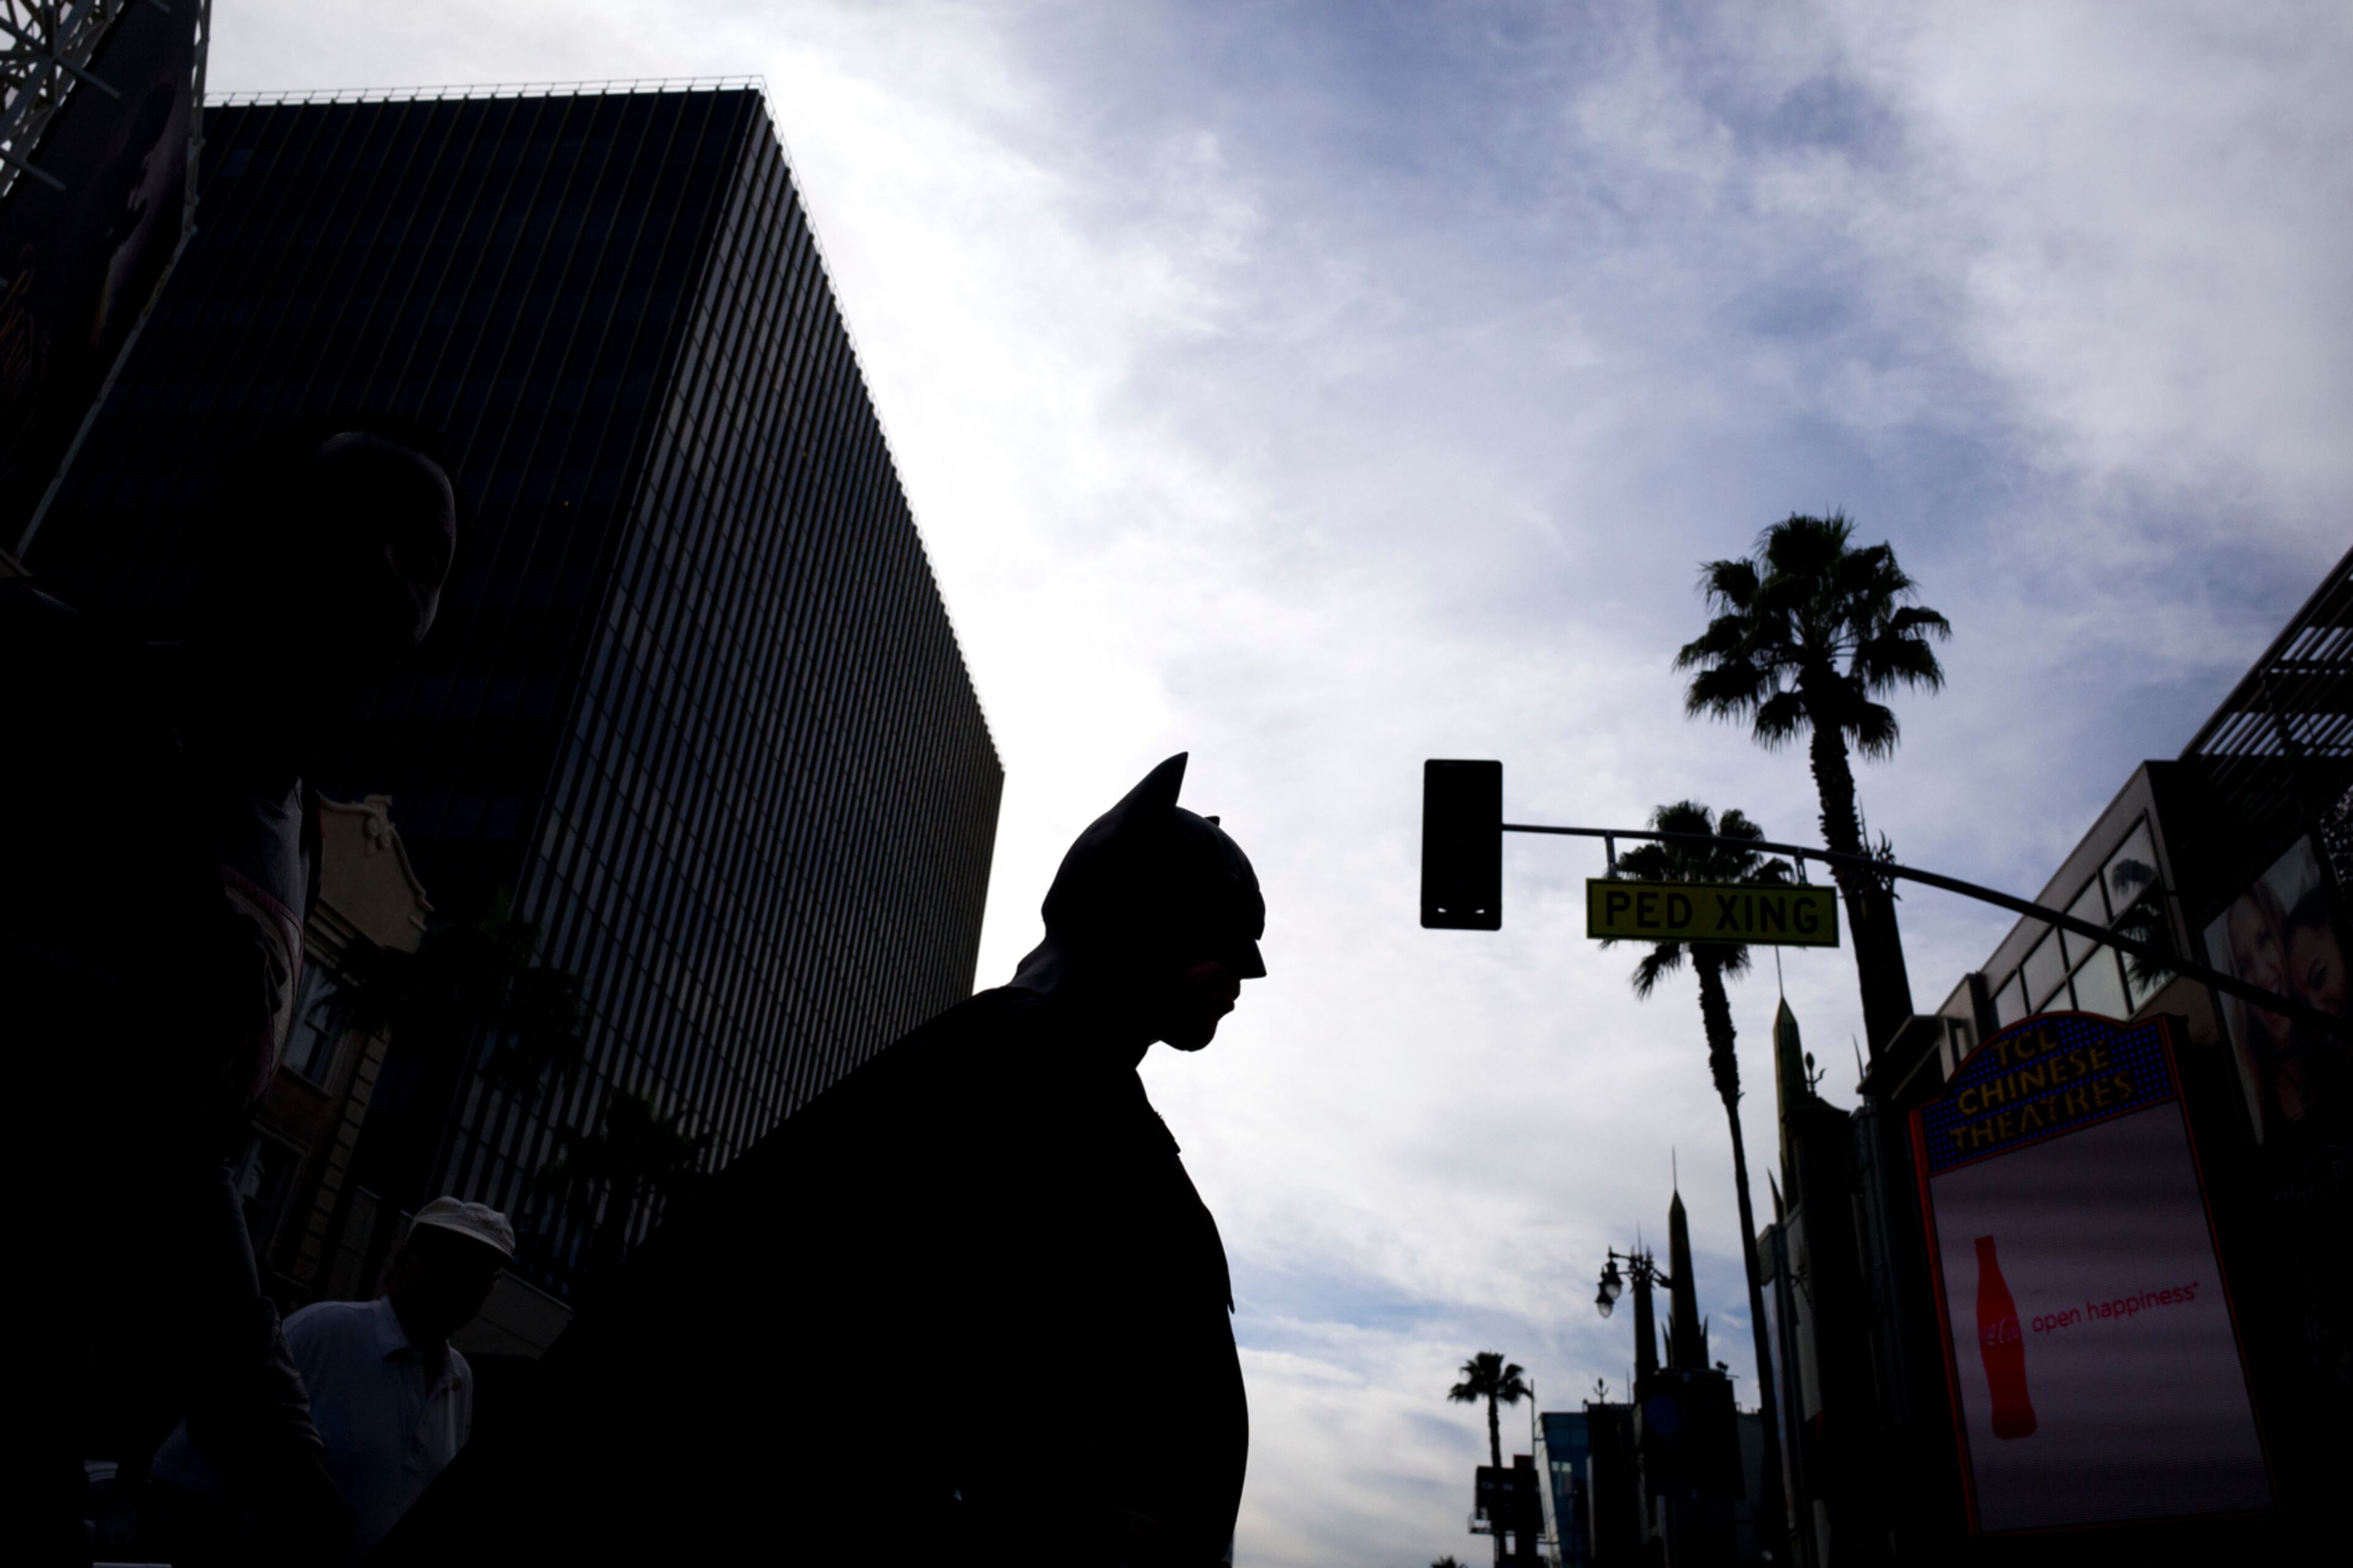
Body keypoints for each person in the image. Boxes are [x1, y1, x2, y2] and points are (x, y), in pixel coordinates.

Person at [382, 753, 1265, 1567]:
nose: (1243, 973)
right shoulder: (1021, 1075)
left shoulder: (1058, 1087)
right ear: (1138, 918)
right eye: (1219, 936)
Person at [4, 418, 461, 1562]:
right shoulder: (63, 682)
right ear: (258, 547)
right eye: (361, 535)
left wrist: (299, 1490)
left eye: (428, 561)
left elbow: (187, 1171)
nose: (397, 574)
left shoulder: (294, 836)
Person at [148, 1200, 515, 1562]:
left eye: (483, 1273)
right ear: (403, 1261)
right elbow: (185, 1474)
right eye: (449, 1259)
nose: (462, 1280)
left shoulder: (459, 1379)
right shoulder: (322, 1330)